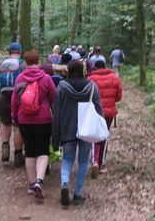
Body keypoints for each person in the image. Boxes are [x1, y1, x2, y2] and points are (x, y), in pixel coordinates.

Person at [52, 60, 104, 206]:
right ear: (83, 70)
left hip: (67, 130)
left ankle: (64, 184)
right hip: (86, 130)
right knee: (82, 161)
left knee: (67, 159)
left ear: (68, 70)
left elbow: (56, 115)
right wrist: (100, 134)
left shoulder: (61, 88)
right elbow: (99, 110)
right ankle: (78, 195)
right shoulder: (92, 87)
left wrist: (55, 140)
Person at [11, 50, 56, 199]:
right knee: (43, 151)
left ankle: (31, 184)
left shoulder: (19, 78)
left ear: (25, 62)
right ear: (38, 61)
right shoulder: (46, 78)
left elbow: (14, 101)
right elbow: (54, 98)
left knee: (29, 150)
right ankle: (39, 181)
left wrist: (15, 117)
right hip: (44, 119)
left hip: (25, 119)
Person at [0, 42, 26, 166]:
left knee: (5, 123)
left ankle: (5, 149)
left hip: (3, 97)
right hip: (19, 99)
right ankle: (18, 155)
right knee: (18, 126)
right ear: (20, 52)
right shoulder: (23, 65)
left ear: (9, 52)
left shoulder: (0, 64)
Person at [88, 59, 122, 177]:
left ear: (95, 67)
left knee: (94, 136)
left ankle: (94, 160)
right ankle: (102, 164)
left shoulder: (91, 79)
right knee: (104, 135)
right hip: (108, 112)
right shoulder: (114, 78)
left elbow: (87, 96)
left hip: (94, 111)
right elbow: (118, 96)